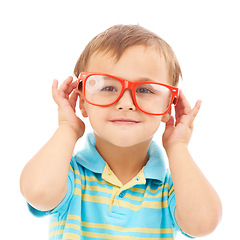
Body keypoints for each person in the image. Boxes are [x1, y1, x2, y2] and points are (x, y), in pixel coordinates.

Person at [20, 24, 222, 239]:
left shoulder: (170, 188)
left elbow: (203, 224)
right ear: (82, 101)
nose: (126, 103)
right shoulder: (70, 175)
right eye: (108, 87)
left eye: (145, 90)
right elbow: (38, 192)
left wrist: (177, 146)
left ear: (168, 105)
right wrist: (68, 128)